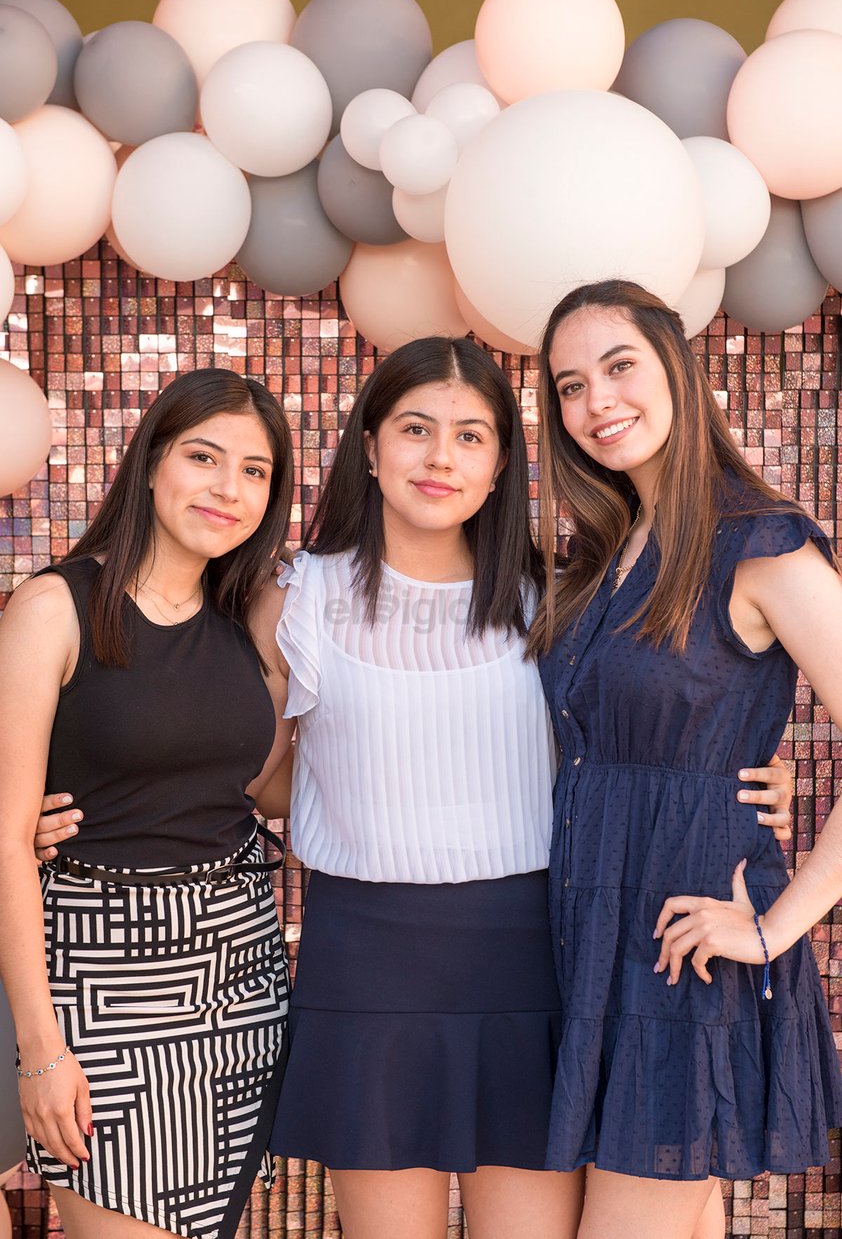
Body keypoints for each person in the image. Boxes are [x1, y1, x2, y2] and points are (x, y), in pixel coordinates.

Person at [27, 340, 793, 1239]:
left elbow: (631, 740)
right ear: (369, 445)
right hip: (366, 960)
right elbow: (239, 766)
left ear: (502, 461)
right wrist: (71, 811)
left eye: (471, 436)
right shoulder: (295, 595)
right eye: (416, 429)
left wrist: (732, 782)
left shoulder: (554, 597)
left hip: (531, 955)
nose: (441, 457)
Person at [530, 279, 842, 1239]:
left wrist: (774, 929)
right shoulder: (609, 550)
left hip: (681, 950)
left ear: (676, 367)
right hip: (588, 941)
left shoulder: (760, 541)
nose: (597, 402)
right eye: (571, 385)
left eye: (619, 366)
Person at [0, 369, 297, 1239]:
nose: (227, 487)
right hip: (99, 986)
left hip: (240, 989)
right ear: (152, 462)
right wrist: (40, 1047)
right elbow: (9, 837)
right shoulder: (55, 606)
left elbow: (261, 789)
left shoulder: (251, 620)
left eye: (254, 471)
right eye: (204, 457)